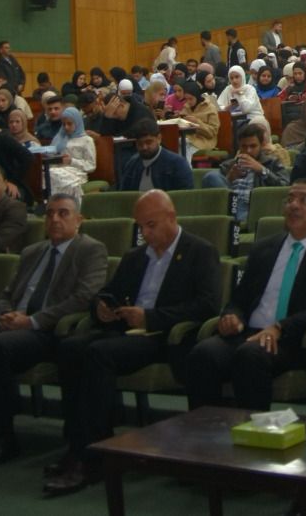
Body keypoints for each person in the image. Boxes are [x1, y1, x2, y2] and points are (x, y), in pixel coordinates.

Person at [46, 190, 222, 495]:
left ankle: (97, 454)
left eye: (151, 225)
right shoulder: (135, 256)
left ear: (171, 217)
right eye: (141, 226)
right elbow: (107, 293)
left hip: (163, 335)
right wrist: (102, 307)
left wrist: (150, 318)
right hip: (126, 331)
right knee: (70, 347)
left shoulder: (200, 251)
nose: (145, 233)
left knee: (99, 353)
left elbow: (207, 305)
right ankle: (77, 444)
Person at [0, 191, 108, 468]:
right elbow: (7, 293)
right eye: (49, 213)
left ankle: (4, 435)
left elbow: (83, 298)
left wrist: (32, 321)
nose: (54, 219)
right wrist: (4, 313)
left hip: (48, 330)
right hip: (13, 321)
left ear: (79, 220)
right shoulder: (32, 251)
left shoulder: (90, 249)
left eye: (63, 213)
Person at [186, 180, 306, 411]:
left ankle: (255, 428)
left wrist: (280, 327)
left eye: (304, 200)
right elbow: (239, 298)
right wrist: (232, 316)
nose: (293, 205)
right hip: (249, 332)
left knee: (250, 356)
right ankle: (206, 427)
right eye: (290, 199)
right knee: (203, 354)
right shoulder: (264, 247)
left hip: (293, 338)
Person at [201, 122, 288, 222]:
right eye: (244, 146)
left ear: (261, 145)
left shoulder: (272, 163)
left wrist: (262, 170)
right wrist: (229, 178)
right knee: (211, 176)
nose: (248, 151)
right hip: (230, 204)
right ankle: (234, 218)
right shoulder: (228, 165)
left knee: (238, 212)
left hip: (252, 207)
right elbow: (218, 193)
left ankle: (235, 220)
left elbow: (285, 186)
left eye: (253, 146)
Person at [115, 118, 190, 192]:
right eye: (140, 144)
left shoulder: (177, 164)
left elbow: (185, 196)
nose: (144, 147)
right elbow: (124, 195)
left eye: (149, 142)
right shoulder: (132, 164)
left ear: (159, 138)